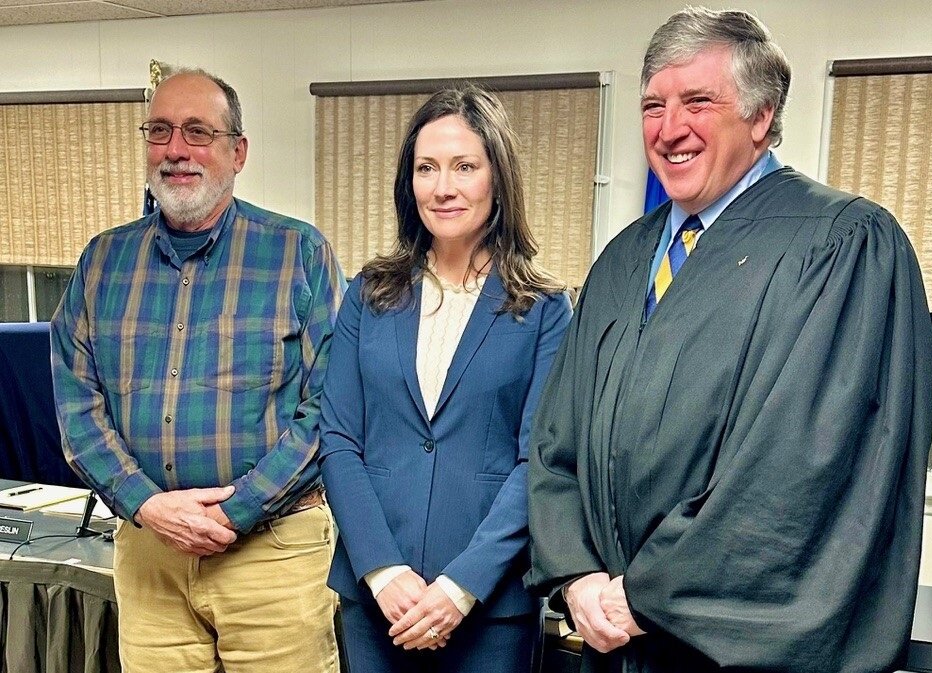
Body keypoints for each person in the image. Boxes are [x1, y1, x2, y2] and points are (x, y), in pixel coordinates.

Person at [526, 7, 932, 673]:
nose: (669, 128)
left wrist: (648, 592)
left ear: (761, 116)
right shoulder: (624, 258)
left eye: (697, 101)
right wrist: (578, 576)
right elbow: (557, 439)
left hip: (729, 650)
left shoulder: (840, 244)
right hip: (608, 638)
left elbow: (798, 474)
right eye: (653, 105)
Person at [50, 68, 343, 673]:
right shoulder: (103, 261)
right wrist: (148, 506)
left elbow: (330, 409)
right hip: (149, 554)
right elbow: (78, 408)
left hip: (274, 554)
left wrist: (232, 513)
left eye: (196, 132)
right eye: (159, 131)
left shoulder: (297, 254)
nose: (176, 149)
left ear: (238, 152)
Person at [319, 85, 572, 673]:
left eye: (465, 166)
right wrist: (383, 571)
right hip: (378, 599)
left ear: (497, 177)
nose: (443, 187)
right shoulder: (369, 294)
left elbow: (540, 460)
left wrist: (461, 587)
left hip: (489, 607)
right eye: (426, 168)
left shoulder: (543, 310)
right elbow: (338, 440)